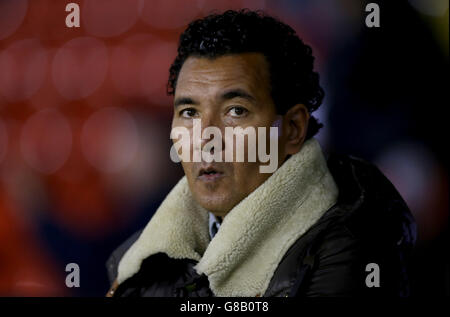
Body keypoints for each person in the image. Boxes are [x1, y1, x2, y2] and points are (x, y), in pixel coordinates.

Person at [105, 9, 416, 297]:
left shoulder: (354, 244)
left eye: (236, 111)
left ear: (292, 128)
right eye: (189, 112)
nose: (205, 138)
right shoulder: (142, 257)